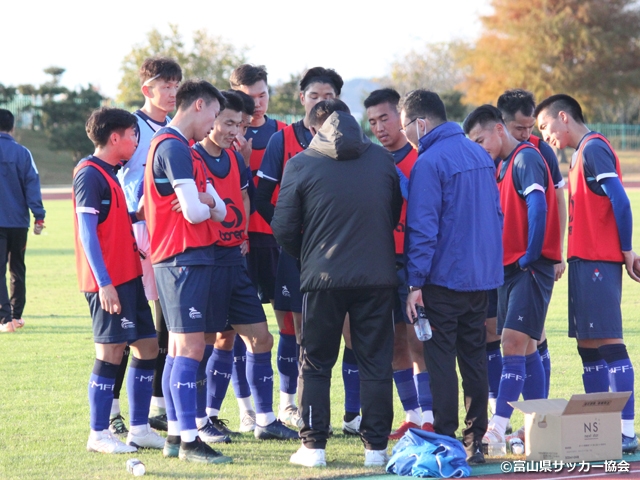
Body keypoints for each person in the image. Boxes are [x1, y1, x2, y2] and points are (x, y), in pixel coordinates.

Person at [272, 99, 402, 468]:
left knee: (314, 363)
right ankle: (376, 449)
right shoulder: (381, 160)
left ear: (314, 128)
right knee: (376, 363)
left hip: (323, 277)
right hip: (376, 277)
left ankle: (313, 448)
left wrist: (309, 254)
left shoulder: (301, 163)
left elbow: (282, 227)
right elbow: (391, 212)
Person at [402, 91, 503, 465]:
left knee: (441, 359)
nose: (407, 135)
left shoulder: (428, 162)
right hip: (480, 277)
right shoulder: (480, 154)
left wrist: (414, 283)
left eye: (405, 128)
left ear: (420, 124)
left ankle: (446, 438)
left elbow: (424, 228)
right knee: (474, 357)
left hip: (443, 277)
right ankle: (476, 439)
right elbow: (494, 216)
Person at [535, 94, 640, 453]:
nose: (545, 135)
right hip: (583, 261)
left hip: (598, 261)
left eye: (545, 126)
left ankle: (626, 431)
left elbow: (621, 201)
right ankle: (599, 430)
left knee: (610, 343)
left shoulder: (594, 148)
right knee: (587, 348)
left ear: (563, 117)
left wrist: (626, 250)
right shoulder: (579, 154)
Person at [194, 90, 298, 440]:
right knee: (208, 342)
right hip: (205, 264)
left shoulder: (236, 159)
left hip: (235, 261)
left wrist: (240, 234)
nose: (234, 131)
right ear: (211, 119)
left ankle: (266, 421)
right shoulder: (191, 158)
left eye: (239, 125)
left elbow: (243, 197)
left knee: (261, 337)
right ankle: (201, 420)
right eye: (227, 123)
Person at [143, 80, 232, 464]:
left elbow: (220, 209)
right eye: (214, 115)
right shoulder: (174, 147)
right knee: (191, 347)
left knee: (181, 347)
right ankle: (190, 438)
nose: (214, 123)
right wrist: (206, 203)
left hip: (183, 257)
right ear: (199, 106)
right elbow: (196, 212)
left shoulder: (183, 148)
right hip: (182, 257)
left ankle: (177, 438)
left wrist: (207, 200)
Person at [463, 105, 561, 452]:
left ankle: (496, 429)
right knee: (527, 346)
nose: (479, 147)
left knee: (512, 344)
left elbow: (539, 206)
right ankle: (537, 429)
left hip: (528, 268)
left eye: (480, 139)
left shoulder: (524, 158)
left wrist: (531, 255)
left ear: (498, 130)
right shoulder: (502, 165)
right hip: (508, 269)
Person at [73, 107, 164, 453]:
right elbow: (87, 233)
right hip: (109, 282)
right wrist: (105, 283)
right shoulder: (89, 173)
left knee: (148, 346)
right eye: (133, 135)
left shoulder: (110, 172)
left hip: (130, 276)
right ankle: (98, 434)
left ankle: (139, 429)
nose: (137, 140)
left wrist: (133, 214)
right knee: (111, 352)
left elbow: (110, 219)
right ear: (115, 138)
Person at [113, 56, 182, 436]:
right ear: (147, 89)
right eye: (165, 85)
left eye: (175, 85)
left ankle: (157, 404)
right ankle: (112, 408)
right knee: (126, 326)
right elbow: (113, 173)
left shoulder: (176, 128)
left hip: (167, 235)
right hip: (134, 234)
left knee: (166, 321)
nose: (171, 92)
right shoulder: (131, 126)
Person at [364, 89, 434, 437]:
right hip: (380, 263)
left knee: (421, 342)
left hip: (417, 264)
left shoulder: (423, 159)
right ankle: (413, 415)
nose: (379, 127)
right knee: (393, 343)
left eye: (385, 118)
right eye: (372, 122)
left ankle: (431, 416)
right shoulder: (370, 162)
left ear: (401, 118)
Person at [229, 65, 294, 430]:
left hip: (274, 237)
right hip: (237, 242)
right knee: (237, 327)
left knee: (287, 320)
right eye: (250, 96)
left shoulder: (283, 133)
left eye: (263, 95)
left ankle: (288, 404)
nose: (257, 103)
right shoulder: (221, 133)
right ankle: (245, 409)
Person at [497, 88, 568, 400]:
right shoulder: (494, 152)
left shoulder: (538, 151)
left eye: (530, 127)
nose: (526, 134)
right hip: (501, 262)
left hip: (532, 260)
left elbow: (558, 199)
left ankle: (537, 417)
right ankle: (526, 419)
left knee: (532, 335)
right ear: (502, 124)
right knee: (511, 337)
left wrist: (557, 252)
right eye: (519, 128)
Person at [0, 109, 45, 333]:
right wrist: (39, 215)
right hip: (18, 222)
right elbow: (32, 184)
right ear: (12, 127)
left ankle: (4, 319)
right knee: (17, 268)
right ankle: (16, 316)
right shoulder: (23, 153)